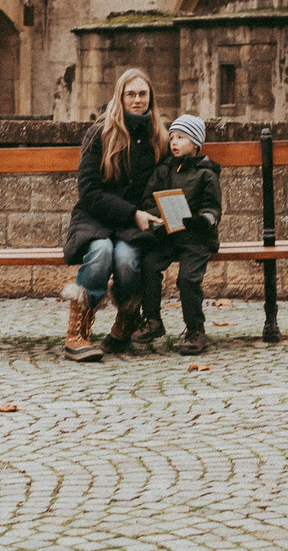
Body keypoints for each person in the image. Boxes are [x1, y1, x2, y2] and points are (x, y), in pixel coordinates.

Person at [59, 66, 167, 362]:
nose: (137, 100)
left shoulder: (159, 135)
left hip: (135, 224)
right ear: (120, 97)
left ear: (150, 98)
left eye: (142, 94)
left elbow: (168, 183)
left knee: (126, 261)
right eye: (130, 94)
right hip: (95, 218)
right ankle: (77, 333)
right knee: (102, 253)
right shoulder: (100, 133)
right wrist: (133, 214)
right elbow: (89, 191)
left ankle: (126, 322)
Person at [138, 113, 223, 355]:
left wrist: (201, 220)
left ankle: (196, 329)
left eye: (181, 138)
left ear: (195, 143)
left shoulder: (207, 172)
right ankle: (152, 319)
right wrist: (160, 216)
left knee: (187, 279)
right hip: (169, 233)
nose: (174, 142)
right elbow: (147, 200)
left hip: (197, 238)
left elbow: (212, 207)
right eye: (172, 137)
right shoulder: (164, 169)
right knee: (148, 264)